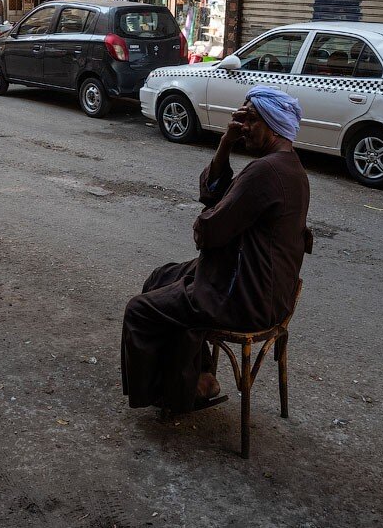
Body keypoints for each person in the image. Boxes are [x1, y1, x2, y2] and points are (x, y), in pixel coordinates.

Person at [121, 86, 312, 414]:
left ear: (272, 124)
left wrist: (205, 226)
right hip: (267, 289)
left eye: (252, 120)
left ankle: (172, 393)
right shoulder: (288, 166)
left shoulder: (265, 172)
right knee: (160, 278)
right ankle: (200, 377)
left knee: (140, 311)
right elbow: (216, 197)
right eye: (243, 119)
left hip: (245, 297)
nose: (244, 127)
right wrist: (225, 143)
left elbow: (209, 229)